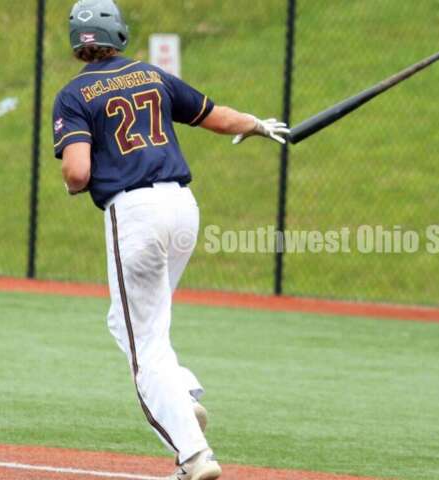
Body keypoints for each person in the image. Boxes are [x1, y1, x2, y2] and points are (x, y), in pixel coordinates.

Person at [53, 1, 289, 479]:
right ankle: (182, 394)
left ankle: (193, 454)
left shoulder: (73, 94)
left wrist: (72, 183)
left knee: (146, 348)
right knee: (133, 324)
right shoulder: (151, 75)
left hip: (135, 213)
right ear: (118, 33)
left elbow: (77, 172)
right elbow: (217, 116)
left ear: (77, 43)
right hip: (182, 208)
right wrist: (258, 124)